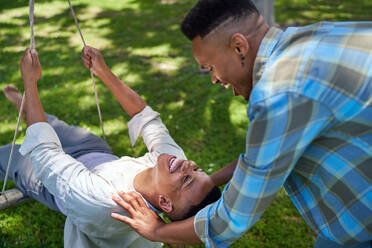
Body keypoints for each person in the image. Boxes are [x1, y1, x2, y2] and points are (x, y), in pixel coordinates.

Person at [110, 0, 372, 247]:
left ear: (238, 46)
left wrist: (157, 231)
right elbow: (267, 157)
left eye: (210, 67)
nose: (214, 79)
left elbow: (232, 219)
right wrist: (210, 180)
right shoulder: (318, 36)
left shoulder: (277, 94)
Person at [0, 47, 222, 248]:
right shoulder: (174, 162)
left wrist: (30, 82)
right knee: (56, 127)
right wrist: (103, 71)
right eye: (197, 168)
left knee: (9, 153)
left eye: (187, 179)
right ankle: (26, 106)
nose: (189, 165)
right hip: (95, 152)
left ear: (163, 201)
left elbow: (44, 151)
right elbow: (146, 118)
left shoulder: (105, 202)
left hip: (51, 183)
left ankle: (29, 102)